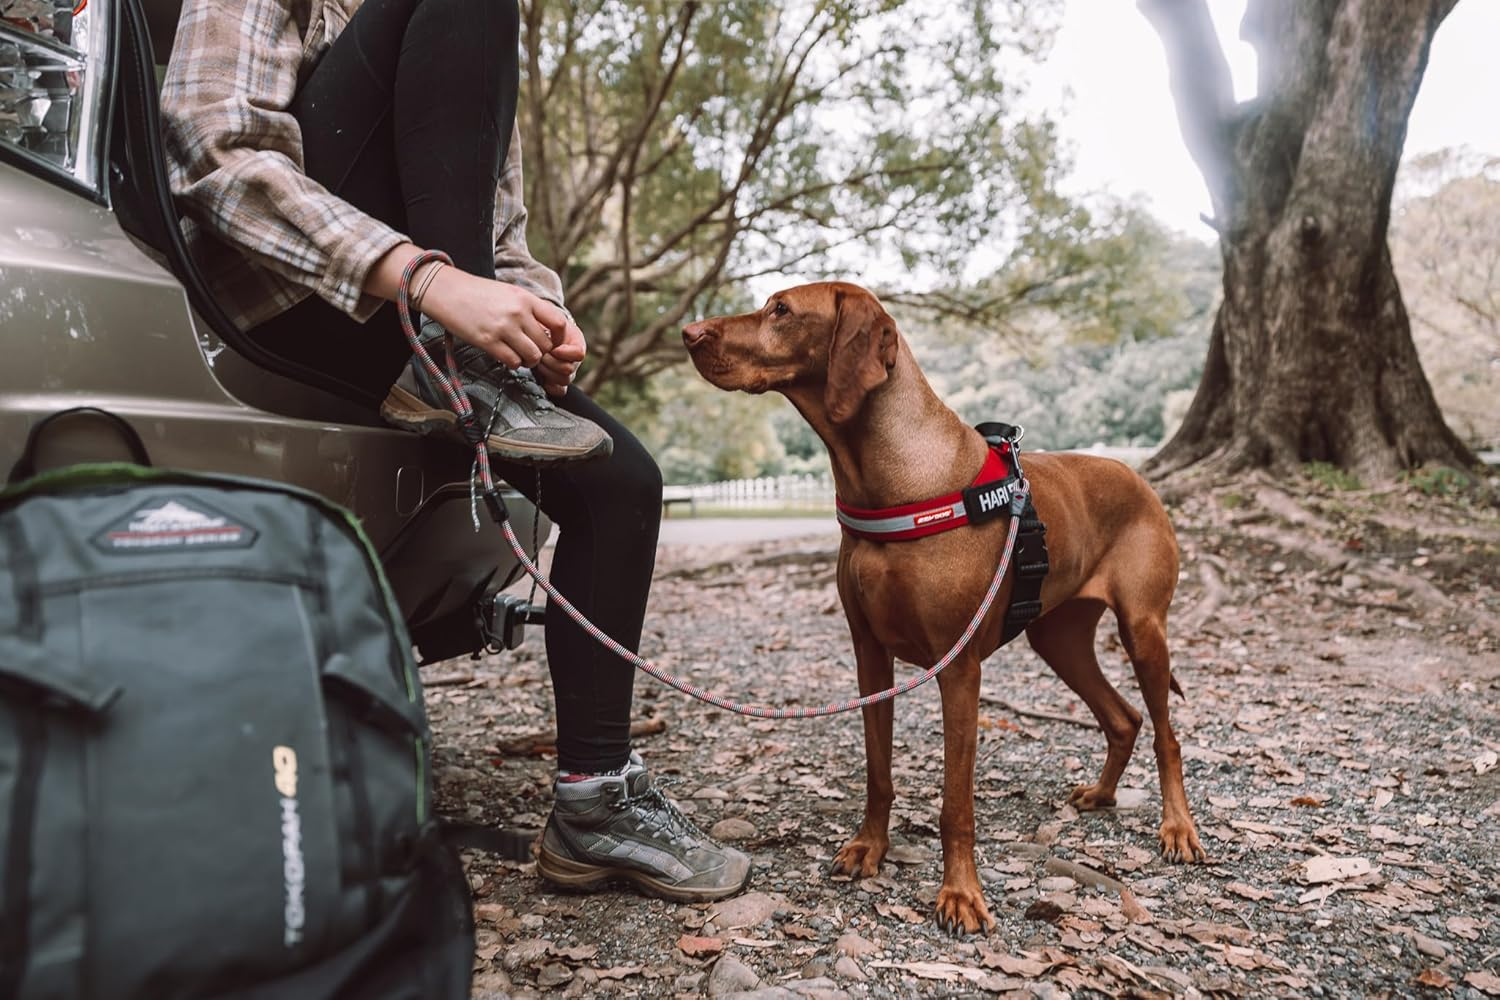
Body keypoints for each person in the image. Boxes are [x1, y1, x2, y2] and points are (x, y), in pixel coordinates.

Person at [160, 0, 749, 901]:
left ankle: (594, 806)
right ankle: (460, 363)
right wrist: (433, 283)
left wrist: (537, 316)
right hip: (289, 283)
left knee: (623, 481)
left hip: (423, 317)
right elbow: (216, 152)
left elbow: (492, 228)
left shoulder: (459, 33)